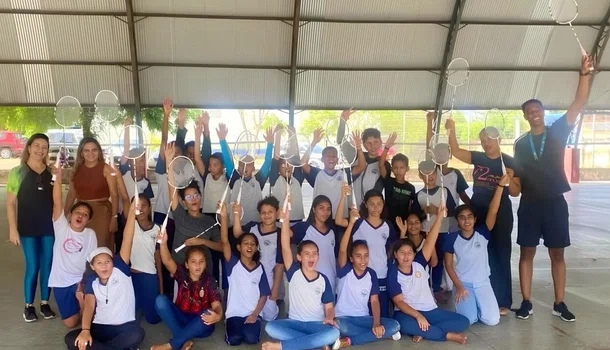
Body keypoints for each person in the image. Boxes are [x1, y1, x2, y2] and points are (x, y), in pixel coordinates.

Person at [513, 55, 593, 322]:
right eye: (529, 111)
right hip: (530, 204)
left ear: (543, 112)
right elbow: (518, 179)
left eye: (537, 109)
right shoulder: (521, 144)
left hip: (555, 203)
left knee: (557, 254)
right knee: (527, 252)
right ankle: (526, 301)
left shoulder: (558, 130)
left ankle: (560, 302)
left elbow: (579, 101)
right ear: (525, 117)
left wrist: (584, 74)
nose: (534, 113)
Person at [446, 118, 521, 315]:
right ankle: (476, 294)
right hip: (478, 211)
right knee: (478, 254)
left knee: (501, 254)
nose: (486, 143)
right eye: (482, 140)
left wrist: (510, 177)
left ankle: (502, 300)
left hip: (501, 213)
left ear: (499, 139)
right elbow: (456, 151)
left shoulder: (510, 161)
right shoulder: (479, 157)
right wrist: (452, 130)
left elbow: (515, 192)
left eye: (489, 139)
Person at [64, 202, 145, 350]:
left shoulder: (120, 270)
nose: (104, 265)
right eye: (99, 263)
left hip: (124, 327)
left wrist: (132, 213)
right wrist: (85, 331)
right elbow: (89, 305)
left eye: (107, 261)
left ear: (113, 263)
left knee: (137, 334)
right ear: (93, 267)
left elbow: (128, 238)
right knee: (71, 338)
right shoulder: (92, 281)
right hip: (100, 327)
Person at [388, 206, 470, 344]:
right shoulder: (393, 273)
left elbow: (431, 239)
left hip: (430, 310)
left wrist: (439, 217)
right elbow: (399, 302)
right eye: (402, 253)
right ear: (396, 255)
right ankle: (447, 335)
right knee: (404, 325)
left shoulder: (419, 263)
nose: (406, 256)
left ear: (414, 254)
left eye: (409, 253)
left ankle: (424, 332)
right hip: (406, 313)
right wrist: (418, 316)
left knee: (463, 322)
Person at [263, 207, 340, 350]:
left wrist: (329, 318)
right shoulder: (293, 273)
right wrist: (285, 220)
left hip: (316, 325)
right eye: (307, 254)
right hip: (294, 323)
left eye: (315, 254)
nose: (311, 257)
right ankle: (316, 342)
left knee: (334, 332)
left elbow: (329, 307)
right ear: (298, 257)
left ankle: (282, 346)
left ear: (318, 256)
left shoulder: (323, 280)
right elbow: (285, 246)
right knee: (270, 327)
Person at [443, 174, 508, 326]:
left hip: (483, 283)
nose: (466, 221)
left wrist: (500, 186)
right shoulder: (451, 238)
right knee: (469, 320)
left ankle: (481, 305)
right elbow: (448, 265)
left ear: (475, 219)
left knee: (492, 320)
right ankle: (470, 306)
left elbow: (493, 211)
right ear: (457, 221)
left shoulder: (483, 233)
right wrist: (458, 286)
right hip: (463, 284)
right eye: (462, 217)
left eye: (469, 217)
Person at [334, 206, 401, 348]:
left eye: (366, 256)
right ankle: (376, 335)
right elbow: (342, 249)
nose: (363, 260)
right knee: (341, 327)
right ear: (351, 258)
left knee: (394, 325)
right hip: (343, 319)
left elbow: (375, 302)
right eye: (358, 256)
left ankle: (350, 340)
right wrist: (351, 223)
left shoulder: (371, 273)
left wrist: (376, 323)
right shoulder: (345, 270)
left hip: (364, 319)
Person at [7, 133, 57, 322]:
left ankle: (44, 303)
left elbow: (57, 200)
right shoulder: (17, 172)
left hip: (48, 228)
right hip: (27, 228)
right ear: (29, 147)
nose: (40, 150)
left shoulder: (51, 172)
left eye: (44, 147)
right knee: (33, 265)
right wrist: (13, 229)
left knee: (47, 266)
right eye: (37, 145)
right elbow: (11, 204)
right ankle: (29, 306)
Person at [152, 227, 223, 350]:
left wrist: (218, 316)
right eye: (193, 262)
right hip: (182, 319)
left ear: (205, 264)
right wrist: (163, 243)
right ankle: (184, 339)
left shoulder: (210, 281)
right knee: (160, 300)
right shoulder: (182, 273)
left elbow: (217, 306)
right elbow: (167, 261)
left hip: (201, 325)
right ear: (187, 264)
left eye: (201, 261)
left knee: (206, 313)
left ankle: (172, 344)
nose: (197, 265)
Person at [335, 187, 398, 318]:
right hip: (361, 274)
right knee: (364, 312)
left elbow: (393, 248)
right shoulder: (358, 222)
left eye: (379, 204)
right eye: (372, 204)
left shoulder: (388, 225)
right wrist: (342, 197)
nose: (376, 208)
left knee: (382, 313)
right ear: (365, 204)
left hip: (381, 274)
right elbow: (338, 221)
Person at [48, 166, 97, 328]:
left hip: (79, 281)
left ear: (88, 220)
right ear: (70, 215)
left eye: (85, 215)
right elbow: (57, 202)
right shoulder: (61, 226)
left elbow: (91, 263)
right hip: (61, 281)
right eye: (78, 212)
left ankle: (83, 304)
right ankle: (77, 307)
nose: (80, 216)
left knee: (87, 314)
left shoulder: (90, 234)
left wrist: (83, 284)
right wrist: (59, 178)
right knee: (70, 324)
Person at [163, 143, 222, 271]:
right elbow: (172, 189)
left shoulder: (209, 221)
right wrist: (169, 161)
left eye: (196, 195)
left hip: (204, 274)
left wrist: (202, 241)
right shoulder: (180, 216)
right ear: (183, 202)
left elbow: (221, 246)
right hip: (180, 272)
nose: (193, 199)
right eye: (188, 197)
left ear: (201, 196)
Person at [219, 202, 270, 346]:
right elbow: (224, 240)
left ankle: (252, 323)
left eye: (253, 244)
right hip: (234, 314)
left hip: (252, 314)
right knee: (234, 340)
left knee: (251, 339)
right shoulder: (232, 263)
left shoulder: (259, 268)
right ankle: (230, 324)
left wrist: (255, 314)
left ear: (256, 248)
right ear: (239, 247)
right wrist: (224, 216)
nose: (249, 246)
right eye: (246, 243)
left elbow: (264, 295)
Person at [233, 197, 283, 321]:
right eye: (263, 212)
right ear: (259, 214)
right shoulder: (252, 227)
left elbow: (279, 264)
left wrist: (275, 288)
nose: (267, 215)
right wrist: (236, 215)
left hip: (268, 277)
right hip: (250, 275)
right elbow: (238, 235)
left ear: (277, 212)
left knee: (270, 316)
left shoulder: (280, 234)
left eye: (270, 212)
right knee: (248, 308)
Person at [412, 163, 457, 301]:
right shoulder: (418, 195)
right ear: (420, 175)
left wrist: (436, 209)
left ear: (437, 174)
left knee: (438, 261)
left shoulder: (445, 192)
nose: (429, 177)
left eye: (432, 173)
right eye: (425, 174)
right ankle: (423, 287)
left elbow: (453, 211)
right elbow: (414, 216)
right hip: (425, 233)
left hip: (442, 231)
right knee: (425, 260)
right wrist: (422, 212)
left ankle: (436, 288)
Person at [65, 138, 119, 250]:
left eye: (94, 150)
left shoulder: (106, 169)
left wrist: (114, 217)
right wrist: (65, 214)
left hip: (101, 213)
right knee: (80, 247)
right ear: (81, 153)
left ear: (99, 151)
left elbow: (114, 194)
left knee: (100, 246)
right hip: (80, 213)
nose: (90, 153)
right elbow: (71, 194)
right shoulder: (76, 170)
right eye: (86, 150)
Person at [301, 128, 365, 219]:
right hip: (321, 220)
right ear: (322, 159)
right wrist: (314, 142)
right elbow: (303, 163)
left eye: (334, 156)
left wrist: (359, 148)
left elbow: (362, 166)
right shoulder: (317, 174)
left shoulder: (343, 174)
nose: (331, 158)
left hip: (341, 219)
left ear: (337, 160)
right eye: (328, 156)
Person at [218, 124, 274, 225]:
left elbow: (267, 163)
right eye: (242, 165)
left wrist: (270, 144)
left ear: (253, 168)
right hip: (236, 225)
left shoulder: (258, 180)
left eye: (249, 165)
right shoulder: (234, 179)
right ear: (238, 168)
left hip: (255, 226)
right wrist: (222, 140)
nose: (245, 167)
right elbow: (227, 161)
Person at [153, 97, 181, 298]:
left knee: (174, 256)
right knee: (158, 255)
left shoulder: (184, 172)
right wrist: (166, 116)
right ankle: (161, 290)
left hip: (177, 218)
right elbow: (164, 140)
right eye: (168, 151)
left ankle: (176, 292)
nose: (171, 153)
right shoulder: (162, 170)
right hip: (161, 216)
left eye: (176, 152)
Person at [337, 109, 390, 206]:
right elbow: (340, 141)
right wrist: (342, 121)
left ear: (381, 142)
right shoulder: (355, 155)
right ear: (364, 144)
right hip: (351, 207)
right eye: (369, 143)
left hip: (371, 211)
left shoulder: (383, 164)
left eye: (375, 142)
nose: (373, 146)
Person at [287, 195, 340, 293]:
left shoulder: (332, 231)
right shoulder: (304, 228)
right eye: (321, 208)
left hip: (330, 280)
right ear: (313, 209)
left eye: (328, 209)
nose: (325, 212)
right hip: (310, 281)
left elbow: (335, 257)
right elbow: (285, 236)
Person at [129, 194, 162, 324]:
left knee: (152, 319)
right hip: (133, 275)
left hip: (150, 275)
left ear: (149, 208)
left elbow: (157, 255)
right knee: (133, 317)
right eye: (137, 205)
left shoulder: (157, 228)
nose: (140, 209)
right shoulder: (130, 225)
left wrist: (160, 282)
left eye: (144, 205)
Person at [426, 112, 470, 208]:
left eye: (444, 152)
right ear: (433, 155)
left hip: (452, 216)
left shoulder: (456, 174)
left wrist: (472, 208)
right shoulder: (432, 172)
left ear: (450, 154)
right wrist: (429, 122)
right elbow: (429, 146)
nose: (441, 155)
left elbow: (463, 195)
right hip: (435, 215)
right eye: (438, 153)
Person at [378, 133, 416, 228]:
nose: (398, 171)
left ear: (407, 168)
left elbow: (410, 207)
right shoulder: (389, 181)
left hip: (404, 224)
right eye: (395, 168)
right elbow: (381, 165)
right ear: (391, 169)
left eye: (402, 167)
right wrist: (386, 148)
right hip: (388, 222)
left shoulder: (411, 188)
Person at [270, 125, 306, 223]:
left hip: (297, 221)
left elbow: (296, 157)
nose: (287, 167)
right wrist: (277, 136)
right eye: (283, 165)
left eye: (289, 164)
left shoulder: (297, 179)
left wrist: (293, 136)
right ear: (278, 168)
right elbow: (276, 158)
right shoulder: (275, 179)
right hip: (279, 221)